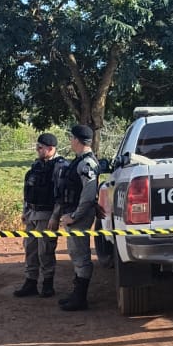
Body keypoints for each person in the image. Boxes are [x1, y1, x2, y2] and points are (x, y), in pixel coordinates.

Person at [14, 133, 68, 297]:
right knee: (30, 248)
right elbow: (28, 190)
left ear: (50, 149)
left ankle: (47, 284)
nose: (37, 150)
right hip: (32, 212)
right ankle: (30, 282)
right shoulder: (36, 166)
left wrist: (55, 217)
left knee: (45, 250)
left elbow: (61, 196)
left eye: (40, 148)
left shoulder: (60, 167)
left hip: (47, 215)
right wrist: (25, 211)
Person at [57, 123, 101, 311]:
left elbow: (88, 195)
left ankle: (80, 298)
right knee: (75, 253)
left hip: (79, 216)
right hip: (74, 215)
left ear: (77, 140)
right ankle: (76, 294)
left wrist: (74, 216)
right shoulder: (80, 161)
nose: (70, 141)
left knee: (80, 255)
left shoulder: (86, 163)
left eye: (71, 138)